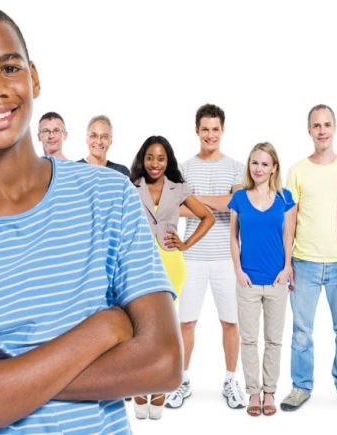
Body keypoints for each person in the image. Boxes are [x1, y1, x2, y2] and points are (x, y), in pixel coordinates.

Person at [0, 5, 181, 433]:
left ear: (34, 77)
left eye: (8, 67)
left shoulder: (108, 195)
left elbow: (163, 362)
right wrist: (103, 329)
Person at [167, 103, 248, 410]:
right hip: (192, 256)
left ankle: (230, 380)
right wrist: (215, 202)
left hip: (227, 258)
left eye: (216, 129)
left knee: (230, 322)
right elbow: (177, 208)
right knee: (186, 323)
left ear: (222, 131)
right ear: (197, 131)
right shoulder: (184, 168)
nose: (210, 135)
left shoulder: (235, 167)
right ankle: (182, 380)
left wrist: (198, 201)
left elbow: (235, 203)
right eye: (205, 129)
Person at [129, 135, 215, 419]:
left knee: (164, 330)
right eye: (150, 157)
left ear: (168, 162)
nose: (155, 163)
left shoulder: (178, 189)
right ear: (143, 159)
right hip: (139, 262)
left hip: (169, 262)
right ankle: (141, 385)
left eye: (161, 158)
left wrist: (186, 244)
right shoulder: (131, 187)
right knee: (140, 328)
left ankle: (160, 387)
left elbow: (208, 217)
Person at [281, 104, 337, 413]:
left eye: (327, 124)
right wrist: (287, 264)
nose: (322, 130)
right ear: (309, 131)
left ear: (335, 128)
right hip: (305, 262)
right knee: (301, 331)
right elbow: (290, 220)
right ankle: (301, 386)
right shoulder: (297, 170)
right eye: (316, 125)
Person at [229, 142, 297, 417]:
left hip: (277, 281)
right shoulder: (240, 198)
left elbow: (288, 236)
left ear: (274, 168)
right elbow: (233, 237)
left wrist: (286, 268)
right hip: (247, 281)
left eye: (264, 164)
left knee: (273, 339)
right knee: (248, 340)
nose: (258, 168)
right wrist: (238, 270)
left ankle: (270, 391)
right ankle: (253, 392)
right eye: (255, 163)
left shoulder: (284, 198)